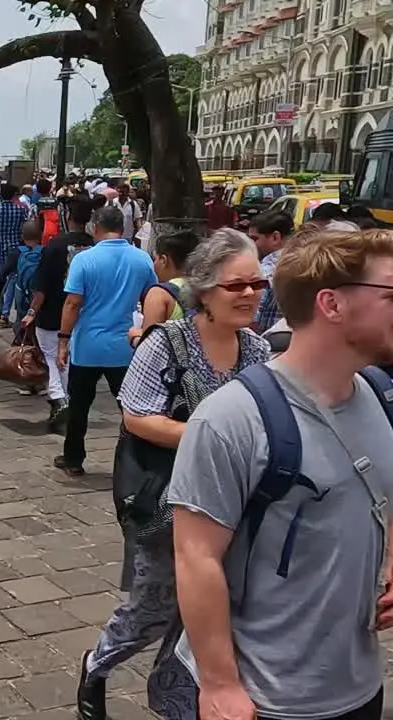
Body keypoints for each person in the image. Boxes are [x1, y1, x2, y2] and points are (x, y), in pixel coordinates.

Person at [169, 228, 393, 720]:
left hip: (358, 686)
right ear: (332, 304)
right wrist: (220, 684)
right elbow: (195, 555)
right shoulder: (231, 418)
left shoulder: (379, 394)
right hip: (266, 698)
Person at [76, 229, 270, 720]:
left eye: (256, 285)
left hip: (235, 508)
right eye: (236, 286)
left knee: (207, 616)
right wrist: (213, 436)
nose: (249, 295)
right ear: (204, 289)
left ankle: (176, 702)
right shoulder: (168, 343)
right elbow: (137, 415)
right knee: (153, 610)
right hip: (167, 505)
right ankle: (97, 664)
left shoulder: (259, 352)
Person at [55, 205, 157, 477]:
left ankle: (73, 459)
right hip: (124, 345)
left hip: (87, 345)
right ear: (122, 228)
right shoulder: (142, 259)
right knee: (130, 407)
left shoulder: (84, 260)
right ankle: (140, 459)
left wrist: (63, 341)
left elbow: (73, 303)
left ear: (95, 227)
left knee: (79, 406)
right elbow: (152, 297)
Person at [24, 196, 94, 431]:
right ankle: (65, 400)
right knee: (68, 359)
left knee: (52, 357)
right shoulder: (94, 246)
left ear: (67, 217)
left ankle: (58, 397)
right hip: (84, 313)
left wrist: (32, 311)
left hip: (53, 310)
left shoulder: (54, 246)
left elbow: (41, 286)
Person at [129, 230, 201, 347]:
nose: (154, 264)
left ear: (164, 260)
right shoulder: (208, 289)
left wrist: (135, 337)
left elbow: (150, 347)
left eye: (155, 258)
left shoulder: (159, 294)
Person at [0, 184, 29, 326]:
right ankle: (5, 312)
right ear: (14, 195)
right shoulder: (20, 210)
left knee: (0, 279)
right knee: (12, 280)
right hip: (15, 249)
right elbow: (24, 231)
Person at [248, 210, 293, 332]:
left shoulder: (265, 271)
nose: (250, 244)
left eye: (254, 239)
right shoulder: (309, 263)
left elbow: (250, 320)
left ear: (275, 237)